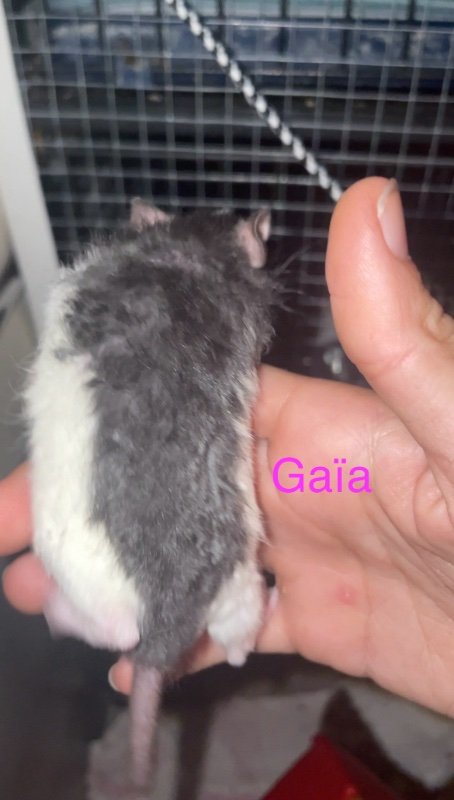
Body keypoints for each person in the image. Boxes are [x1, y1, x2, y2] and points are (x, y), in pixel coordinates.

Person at [2, 176, 454, 717]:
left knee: (117, 557)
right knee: (216, 566)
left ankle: (115, 616)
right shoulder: (235, 314)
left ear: (146, 226)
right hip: (196, 566)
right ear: (250, 248)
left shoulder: (90, 287)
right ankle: (225, 630)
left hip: (98, 569)